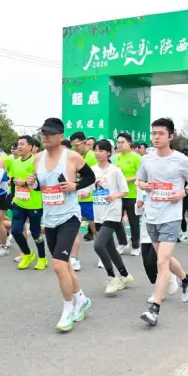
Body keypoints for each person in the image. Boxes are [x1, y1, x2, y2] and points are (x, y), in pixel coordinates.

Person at [28, 118, 94, 332]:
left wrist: (75, 185)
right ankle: (81, 299)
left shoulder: (72, 157)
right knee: (64, 265)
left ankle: (68, 308)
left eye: (49, 133)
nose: (45, 137)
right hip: (50, 217)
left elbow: (90, 177)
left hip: (69, 216)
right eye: (43, 133)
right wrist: (33, 184)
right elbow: (41, 186)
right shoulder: (38, 158)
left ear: (60, 135)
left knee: (58, 265)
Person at [136, 118, 188, 326]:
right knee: (164, 257)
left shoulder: (180, 160)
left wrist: (183, 192)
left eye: (161, 133)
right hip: (151, 215)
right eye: (153, 133)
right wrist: (144, 185)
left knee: (162, 261)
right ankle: (186, 279)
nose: (156, 137)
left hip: (171, 216)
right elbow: (139, 180)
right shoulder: (147, 159)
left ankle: (154, 308)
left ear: (170, 136)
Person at [91, 139, 134, 295]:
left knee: (98, 245)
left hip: (112, 212)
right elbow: (89, 189)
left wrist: (114, 196)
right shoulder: (92, 170)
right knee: (109, 247)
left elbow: (125, 190)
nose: (97, 153)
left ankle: (111, 277)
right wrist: (83, 193)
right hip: (98, 212)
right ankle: (125, 275)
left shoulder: (115, 171)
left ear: (108, 153)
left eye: (101, 150)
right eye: (95, 150)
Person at [9, 135, 49, 270]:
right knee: (15, 231)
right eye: (18, 144)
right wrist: (12, 188)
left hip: (34, 203)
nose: (19, 146)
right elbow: (13, 179)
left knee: (35, 232)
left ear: (31, 147)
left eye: (22, 144)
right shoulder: (15, 162)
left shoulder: (36, 161)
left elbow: (41, 181)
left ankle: (42, 258)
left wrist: (25, 182)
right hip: (19, 202)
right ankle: (27, 254)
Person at [69, 131, 100, 265]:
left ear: (85, 142)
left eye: (77, 145)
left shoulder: (92, 157)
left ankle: (104, 256)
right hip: (76, 198)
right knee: (74, 228)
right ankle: (74, 258)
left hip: (90, 199)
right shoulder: (74, 157)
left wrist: (88, 191)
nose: (75, 148)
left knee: (95, 229)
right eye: (73, 146)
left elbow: (96, 178)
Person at [114, 132, 142, 256]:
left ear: (129, 143)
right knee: (116, 220)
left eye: (122, 142)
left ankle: (136, 245)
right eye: (118, 142)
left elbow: (141, 175)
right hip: (119, 194)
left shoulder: (137, 158)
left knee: (133, 221)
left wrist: (126, 180)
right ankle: (122, 242)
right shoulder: (116, 157)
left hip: (132, 195)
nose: (119, 144)